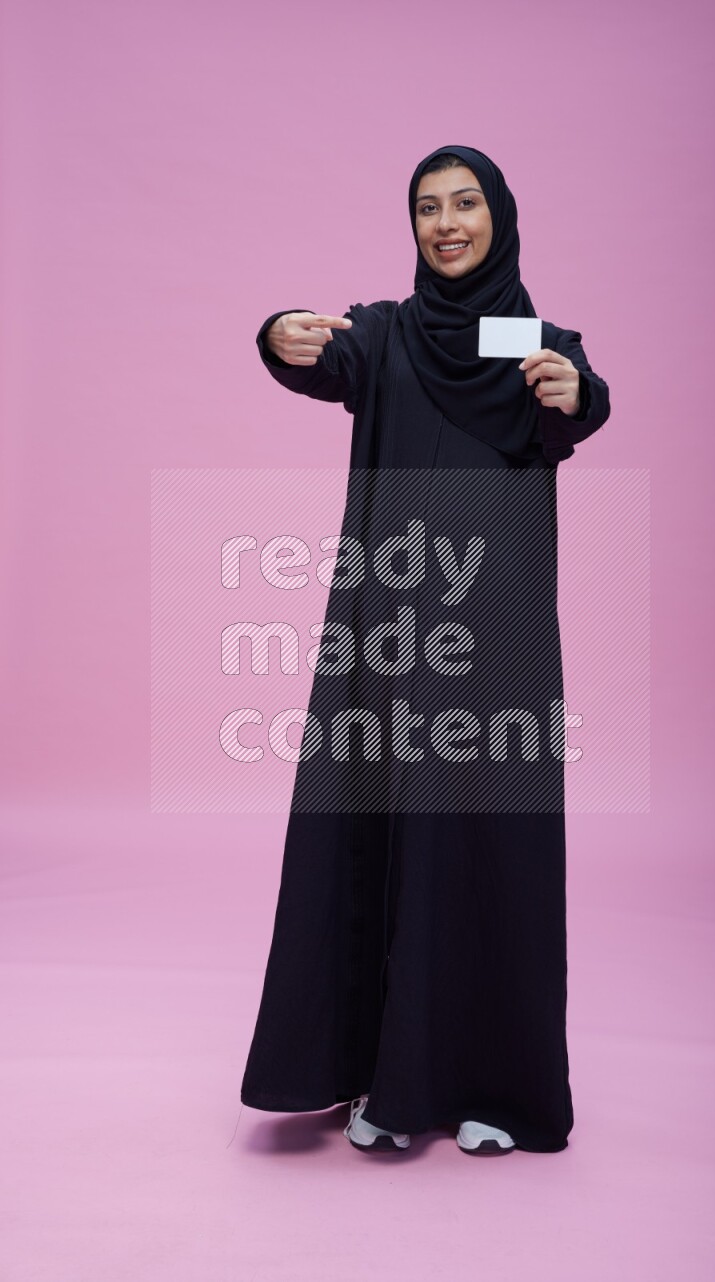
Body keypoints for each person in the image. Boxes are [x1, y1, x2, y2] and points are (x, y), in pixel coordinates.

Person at [240, 144, 611, 1156]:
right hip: (388, 636)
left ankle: (497, 1085)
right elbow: (308, 356)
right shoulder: (386, 334)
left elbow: (579, 395)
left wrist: (571, 392)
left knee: (486, 850)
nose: (445, 223)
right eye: (425, 208)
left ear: (499, 216)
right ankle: (380, 1081)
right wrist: (276, 331)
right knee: (383, 836)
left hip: (496, 650)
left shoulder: (535, 339)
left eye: (464, 204)